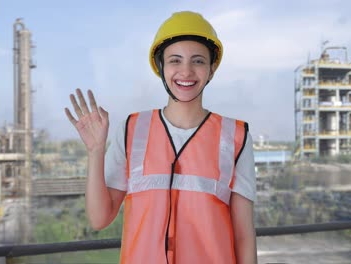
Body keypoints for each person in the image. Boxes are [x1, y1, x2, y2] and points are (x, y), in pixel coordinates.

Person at [65, 11, 257, 264]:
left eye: (198, 61)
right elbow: (100, 218)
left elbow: (244, 236)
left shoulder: (236, 137)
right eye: (175, 60)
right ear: (161, 66)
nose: (186, 71)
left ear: (211, 69)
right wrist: (95, 152)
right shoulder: (132, 129)